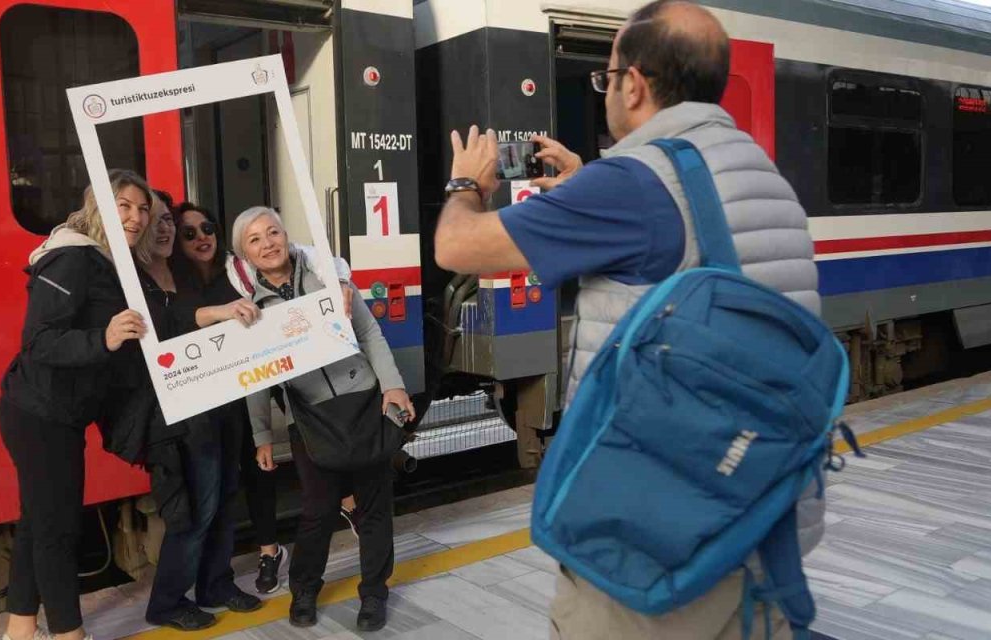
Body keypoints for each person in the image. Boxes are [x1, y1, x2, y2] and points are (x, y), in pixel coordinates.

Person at [432, 2, 820, 638]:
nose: (607, 88)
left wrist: (466, 185)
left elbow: (458, 247)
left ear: (634, 84)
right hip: (764, 512)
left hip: (662, 538)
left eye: (605, 77)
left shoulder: (631, 184)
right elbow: (677, 240)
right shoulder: (761, 173)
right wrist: (588, 185)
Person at [168, 202, 362, 595]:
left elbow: (314, 255)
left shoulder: (235, 268)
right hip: (222, 391)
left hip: (264, 373)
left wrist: (341, 279)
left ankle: (345, 502)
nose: (201, 237)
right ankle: (271, 550)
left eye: (207, 227)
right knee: (256, 462)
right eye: (189, 233)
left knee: (293, 446)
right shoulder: (179, 280)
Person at [236, 206, 415, 632]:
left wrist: (393, 385)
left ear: (286, 235)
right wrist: (262, 434)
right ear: (245, 255)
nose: (268, 244)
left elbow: (369, 333)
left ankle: (374, 594)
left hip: (363, 399)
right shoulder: (249, 309)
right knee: (316, 510)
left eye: (273, 232)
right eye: (255, 240)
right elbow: (255, 378)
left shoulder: (327, 280)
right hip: (309, 417)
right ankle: (304, 590)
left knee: (374, 508)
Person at [0, 169, 151, 640]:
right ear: (97, 206)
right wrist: (102, 339)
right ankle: (69, 634)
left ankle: (19, 628)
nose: (136, 217)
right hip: (40, 413)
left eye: (143, 209)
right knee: (57, 530)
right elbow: (38, 342)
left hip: (55, 413)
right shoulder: (73, 259)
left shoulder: (106, 260)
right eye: (123, 205)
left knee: (39, 521)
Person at [128, 191, 263, 631]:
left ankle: (215, 585)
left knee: (224, 499)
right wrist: (216, 313)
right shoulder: (139, 277)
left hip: (223, 404)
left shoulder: (191, 272)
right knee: (198, 506)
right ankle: (167, 602)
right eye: (168, 223)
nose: (173, 230)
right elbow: (170, 324)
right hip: (184, 412)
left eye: (177, 223)